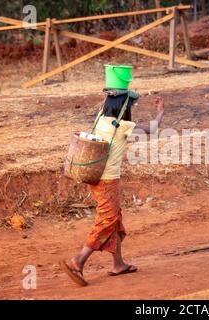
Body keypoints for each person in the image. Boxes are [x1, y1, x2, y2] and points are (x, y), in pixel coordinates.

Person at [60, 90, 164, 286]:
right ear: (124, 108)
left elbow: (106, 104)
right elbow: (153, 127)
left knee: (113, 219)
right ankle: (78, 261)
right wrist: (160, 111)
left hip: (96, 177)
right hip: (108, 180)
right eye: (130, 106)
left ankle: (118, 264)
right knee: (107, 220)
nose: (131, 109)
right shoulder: (123, 125)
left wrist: (112, 93)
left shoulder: (101, 119)